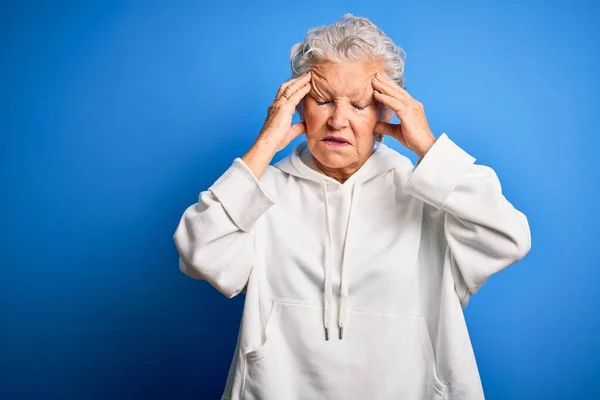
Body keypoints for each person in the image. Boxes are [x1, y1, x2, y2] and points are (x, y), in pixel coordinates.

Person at [173, 13, 531, 400]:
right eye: (322, 101)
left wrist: (429, 148)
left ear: (387, 111)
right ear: (297, 106)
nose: (338, 121)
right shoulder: (263, 191)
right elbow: (199, 254)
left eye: (360, 105)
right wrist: (263, 147)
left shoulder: (431, 188)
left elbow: (508, 237)